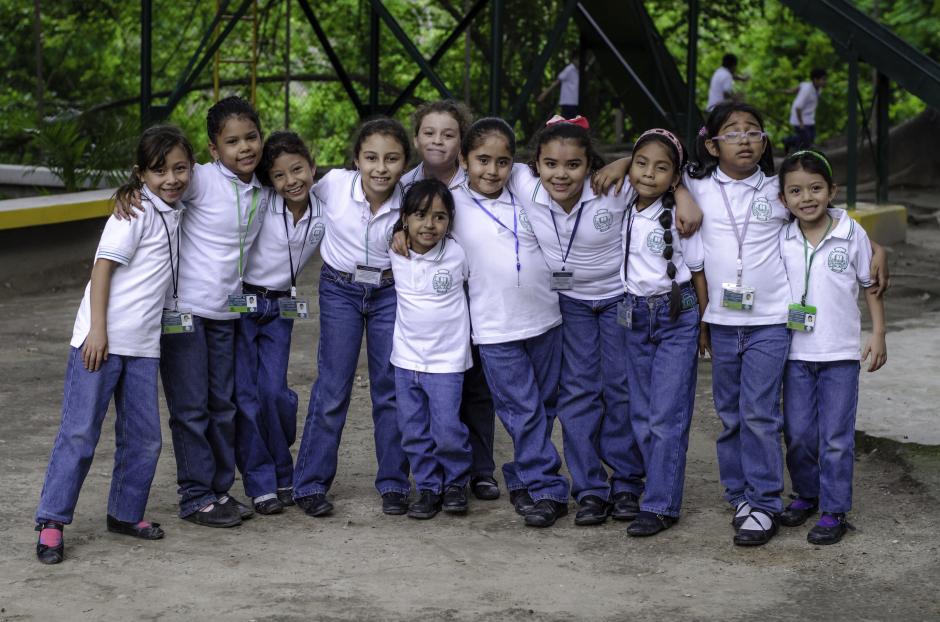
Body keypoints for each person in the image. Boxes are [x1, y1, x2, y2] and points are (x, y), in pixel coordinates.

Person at [34, 125, 193, 564]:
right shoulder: (133, 213)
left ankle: (125, 513)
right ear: (141, 174)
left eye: (180, 168)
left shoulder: (173, 210)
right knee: (81, 431)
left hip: (144, 346)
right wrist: (97, 331)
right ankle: (51, 521)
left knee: (144, 439)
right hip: (100, 342)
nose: (172, 179)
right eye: (160, 171)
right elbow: (102, 269)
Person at [508, 116, 646, 526]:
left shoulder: (614, 187)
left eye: (573, 165)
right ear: (536, 164)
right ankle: (589, 488)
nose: (561, 174)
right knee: (577, 394)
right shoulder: (523, 184)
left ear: (590, 166)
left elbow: (667, 162)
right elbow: (471, 161)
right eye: (550, 164)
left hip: (617, 300)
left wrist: (627, 161)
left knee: (620, 389)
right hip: (569, 304)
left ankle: (626, 482)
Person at [291, 118, 412, 517]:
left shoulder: (412, 196)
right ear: (356, 160)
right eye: (371, 158)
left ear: (404, 164)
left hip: (391, 291)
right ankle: (309, 483)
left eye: (392, 159)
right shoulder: (332, 186)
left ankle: (394, 482)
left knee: (390, 386)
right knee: (332, 386)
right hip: (339, 288)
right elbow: (278, 177)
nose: (381, 168)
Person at [776, 149, 887, 545]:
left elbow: (870, 283)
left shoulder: (850, 232)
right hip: (793, 354)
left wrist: (878, 333)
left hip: (840, 354)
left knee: (836, 437)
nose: (806, 198)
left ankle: (835, 509)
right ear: (783, 199)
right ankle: (808, 493)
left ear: (832, 191)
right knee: (799, 433)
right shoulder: (781, 236)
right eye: (795, 191)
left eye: (815, 188)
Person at [402, 100, 502, 502]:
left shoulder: (477, 178)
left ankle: (478, 471)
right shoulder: (405, 183)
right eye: (429, 133)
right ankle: (431, 478)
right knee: (432, 396)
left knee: (476, 388)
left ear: (461, 142)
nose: (437, 140)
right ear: (416, 138)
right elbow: (403, 223)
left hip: (476, 293)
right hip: (429, 297)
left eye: (448, 133)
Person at [620, 129, 708, 537]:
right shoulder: (621, 202)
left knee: (666, 416)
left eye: (661, 168)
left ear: (675, 177)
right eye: (641, 164)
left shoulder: (681, 217)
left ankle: (660, 504)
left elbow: (698, 272)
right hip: (634, 315)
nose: (649, 174)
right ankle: (651, 489)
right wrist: (623, 163)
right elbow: (613, 173)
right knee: (640, 414)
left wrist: (705, 324)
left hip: (677, 315)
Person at [234, 131, 325, 515]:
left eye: (297, 169)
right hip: (243, 304)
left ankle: (282, 466)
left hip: (282, 307)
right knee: (246, 398)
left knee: (273, 393)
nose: (291, 181)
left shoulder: (326, 207)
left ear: (313, 166)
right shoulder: (260, 204)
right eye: (279, 175)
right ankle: (261, 483)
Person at [390, 179, 474, 519]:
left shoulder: (458, 253)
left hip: (447, 363)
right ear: (405, 219)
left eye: (439, 217)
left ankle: (455, 483)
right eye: (421, 215)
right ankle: (427, 487)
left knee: (447, 429)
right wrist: (395, 233)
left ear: (450, 222)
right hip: (406, 360)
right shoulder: (394, 251)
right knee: (412, 431)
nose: (429, 224)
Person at [782, 69, 828, 154]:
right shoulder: (807, 90)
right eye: (823, 79)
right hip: (799, 119)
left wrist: (791, 91)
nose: (825, 81)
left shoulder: (817, 88)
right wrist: (801, 123)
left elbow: (801, 85)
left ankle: (787, 141)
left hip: (809, 118)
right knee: (805, 141)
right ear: (815, 80)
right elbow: (798, 107)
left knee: (810, 138)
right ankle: (796, 156)